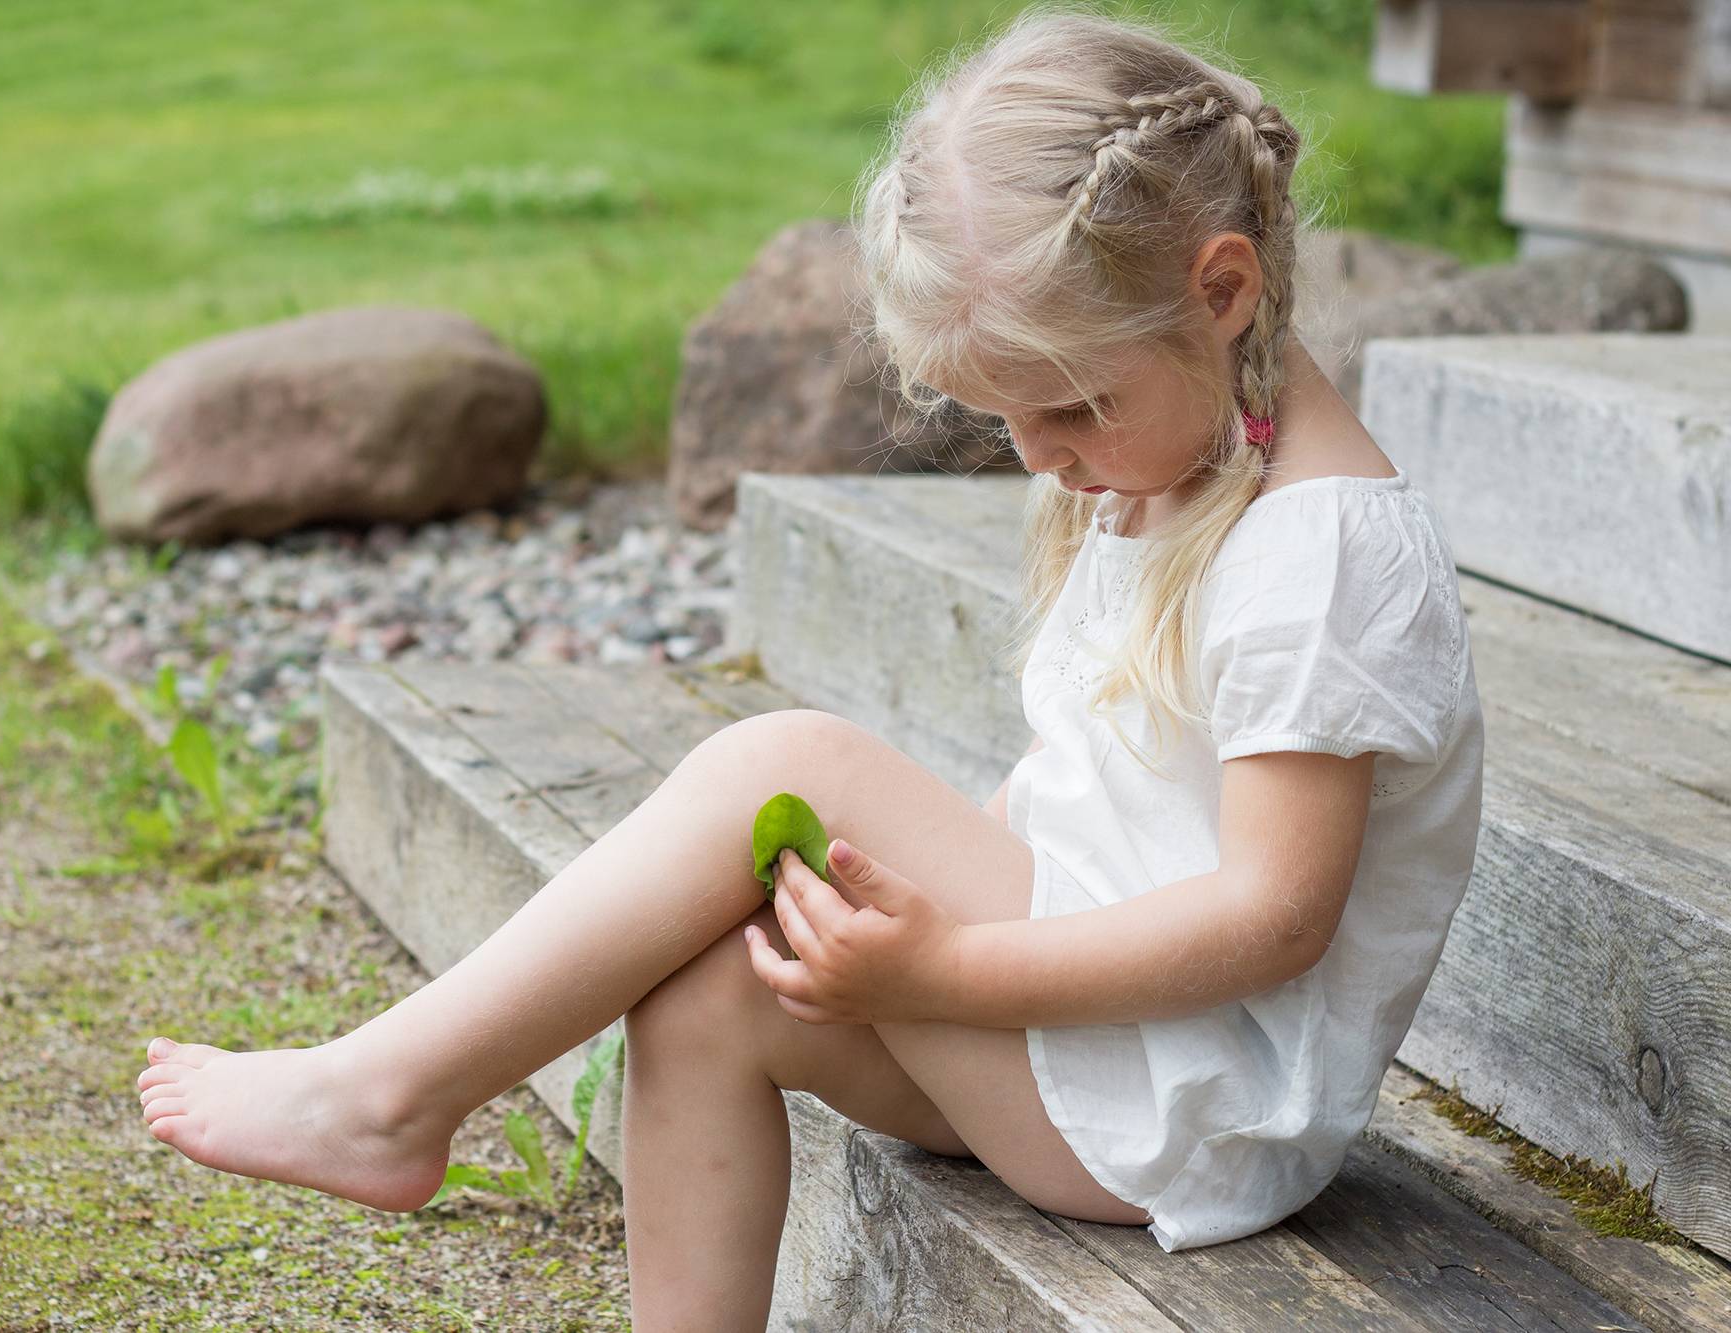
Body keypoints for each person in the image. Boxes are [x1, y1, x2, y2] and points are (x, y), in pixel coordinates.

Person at [134, 4, 1485, 1326]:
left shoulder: (1319, 557)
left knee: (790, 762)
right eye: (1007, 416)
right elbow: (1108, 786)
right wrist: (932, 909)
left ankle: (386, 1094)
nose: (1040, 456)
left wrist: (942, 971)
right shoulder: (1175, 463)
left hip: (1189, 1108)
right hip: (1094, 1043)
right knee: (710, 994)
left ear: (1225, 290)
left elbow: (1272, 918)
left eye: (1073, 405)